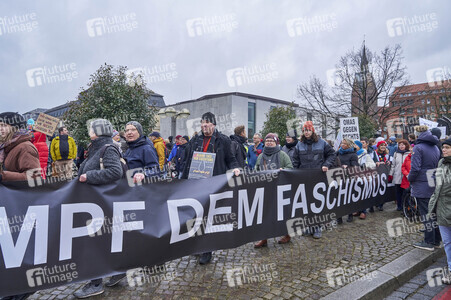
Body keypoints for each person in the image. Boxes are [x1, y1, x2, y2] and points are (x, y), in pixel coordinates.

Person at [73, 119, 124, 299]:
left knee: (95, 243)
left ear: (98, 131)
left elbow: (115, 172)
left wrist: (88, 176)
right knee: (102, 241)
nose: (89, 130)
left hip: (99, 204)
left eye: (91, 128)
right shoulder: (96, 147)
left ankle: (95, 284)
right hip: (94, 203)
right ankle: (118, 269)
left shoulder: (107, 148)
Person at [182, 112, 240, 265]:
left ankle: (207, 250)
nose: (204, 125)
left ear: (214, 125)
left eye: (207, 123)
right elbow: (187, 160)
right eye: (202, 123)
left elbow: (231, 159)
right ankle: (197, 246)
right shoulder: (195, 140)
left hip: (214, 184)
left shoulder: (223, 141)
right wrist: (182, 179)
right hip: (196, 183)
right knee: (197, 216)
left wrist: (235, 169)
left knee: (208, 218)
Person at [0, 112, 40, 300]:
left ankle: (20, 290)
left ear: (14, 127)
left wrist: (4, 176)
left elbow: (36, 178)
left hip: (20, 209)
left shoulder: (24, 147)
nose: (0, 129)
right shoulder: (6, 147)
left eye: (3, 125)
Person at [292, 121, 336, 238]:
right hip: (304, 177)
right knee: (306, 203)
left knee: (317, 203)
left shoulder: (322, 143)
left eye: (308, 130)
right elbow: (295, 161)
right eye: (305, 130)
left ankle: (317, 227)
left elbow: (332, 154)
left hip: (318, 177)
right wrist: (294, 174)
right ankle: (309, 226)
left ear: (313, 131)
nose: (306, 132)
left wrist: (326, 164)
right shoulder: (299, 145)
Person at [254, 133, 293, 248]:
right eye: (267, 141)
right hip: (265, 189)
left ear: (276, 142)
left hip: (280, 189)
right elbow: (256, 170)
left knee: (283, 213)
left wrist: (283, 170)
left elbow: (290, 168)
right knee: (264, 214)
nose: (269, 142)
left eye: (272, 141)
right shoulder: (261, 156)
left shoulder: (282, 155)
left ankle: (287, 234)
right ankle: (264, 238)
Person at [409, 125, 441, 251]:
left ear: (417, 134)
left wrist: (409, 178)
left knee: (426, 214)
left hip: (422, 184)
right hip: (432, 182)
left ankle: (428, 242)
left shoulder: (418, 147)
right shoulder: (435, 147)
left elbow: (415, 168)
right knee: (433, 213)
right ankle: (436, 240)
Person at [428, 138, 451, 283]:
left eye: (447, 147)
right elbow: (438, 187)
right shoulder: (441, 162)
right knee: (448, 243)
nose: (443, 150)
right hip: (442, 208)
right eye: (443, 147)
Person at [336, 139, 359, 222]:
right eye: (342, 143)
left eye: (345, 143)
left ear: (349, 145)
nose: (342, 144)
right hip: (338, 176)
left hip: (348, 177)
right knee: (339, 197)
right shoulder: (338, 152)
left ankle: (350, 215)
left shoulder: (353, 154)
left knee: (348, 197)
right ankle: (339, 217)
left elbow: (355, 167)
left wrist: (348, 167)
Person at [389, 139, 411, 211]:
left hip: (406, 176)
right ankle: (399, 206)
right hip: (397, 175)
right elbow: (393, 165)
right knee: (398, 192)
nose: (401, 146)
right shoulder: (396, 153)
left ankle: (405, 205)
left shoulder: (409, 153)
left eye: (403, 145)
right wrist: (391, 174)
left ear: (406, 145)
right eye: (400, 145)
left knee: (406, 192)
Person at [371, 140, 390, 211]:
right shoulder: (374, 153)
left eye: (384, 145)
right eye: (381, 145)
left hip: (384, 174)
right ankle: (374, 204)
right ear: (378, 146)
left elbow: (390, 161)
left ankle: (381, 204)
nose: (383, 147)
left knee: (383, 188)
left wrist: (388, 162)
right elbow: (371, 162)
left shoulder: (387, 154)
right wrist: (376, 162)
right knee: (375, 188)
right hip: (376, 174)